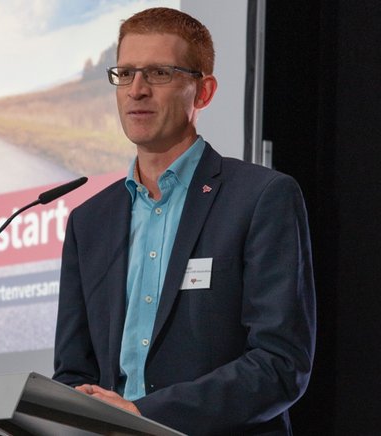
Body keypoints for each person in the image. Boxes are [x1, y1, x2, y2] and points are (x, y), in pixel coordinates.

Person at [53, 6, 316, 436]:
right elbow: (72, 373)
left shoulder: (261, 197)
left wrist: (143, 414)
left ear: (203, 92)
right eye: (125, 73)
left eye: (158, 73)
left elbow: (280, 365)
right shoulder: (89, 222)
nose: (136, 90)